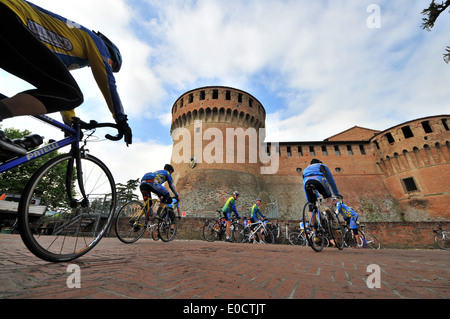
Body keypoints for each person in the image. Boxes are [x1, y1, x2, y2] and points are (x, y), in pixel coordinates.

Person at [0, 0, 132, 160]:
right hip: (9, 13)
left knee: (65, 92)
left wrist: (71, 122)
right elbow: (107, 80)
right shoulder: (96, 42)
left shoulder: (64, 48)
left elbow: (60, 91)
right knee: (73, 95)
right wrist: (121, 119)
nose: (105, 66)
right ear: (110, 55)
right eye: (110, 64)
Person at [303, 159, 342, 243]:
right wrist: (337, 194)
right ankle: (327, 208)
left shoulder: (305, 169)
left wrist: (310, 201)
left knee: (311, 207)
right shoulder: (322, 166)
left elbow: (305, 184)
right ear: (319, 162)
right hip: (319, 179)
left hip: (307, 182)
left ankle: (315, 232)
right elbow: (331, 181)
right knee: (328, 196)